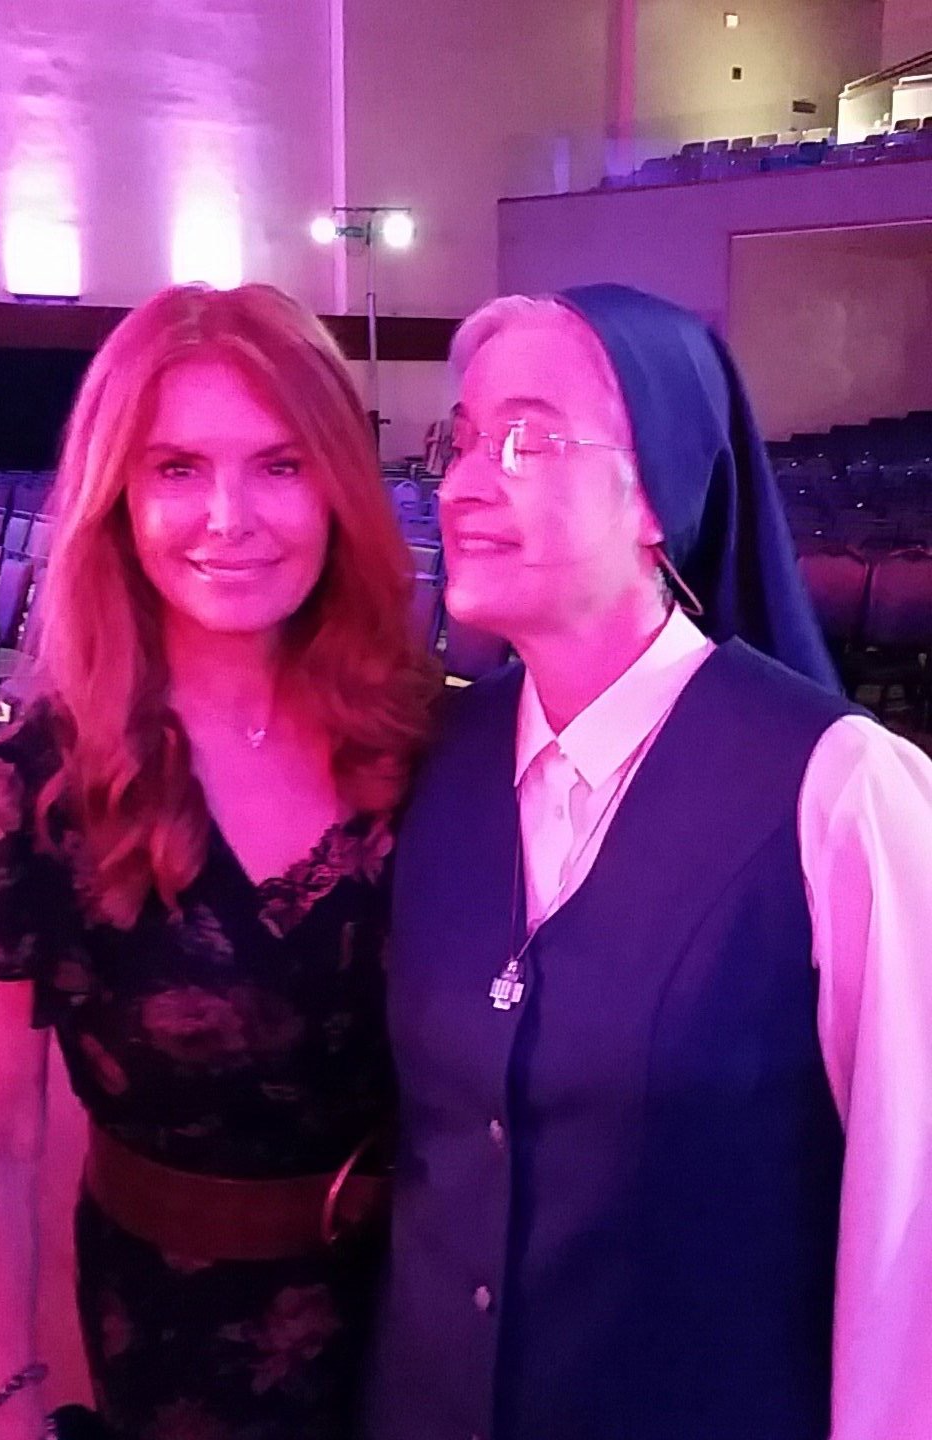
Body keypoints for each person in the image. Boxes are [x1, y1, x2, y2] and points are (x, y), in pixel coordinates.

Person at [365, 285, 932, 1440]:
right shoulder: (436, 757)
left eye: (527, 438)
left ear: (658, 497)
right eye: (460, 439)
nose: (463, 482)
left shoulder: (839, 790)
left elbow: (909, 1240)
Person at [0, 283, 438, 1440]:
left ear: (338, 483)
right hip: (181, 1346)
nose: (229, 517)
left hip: (441, 1320)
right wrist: (5, 1406)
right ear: (116, 496)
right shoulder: (27, 789)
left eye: (280, 464)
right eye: (177, 469)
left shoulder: (426, 741)